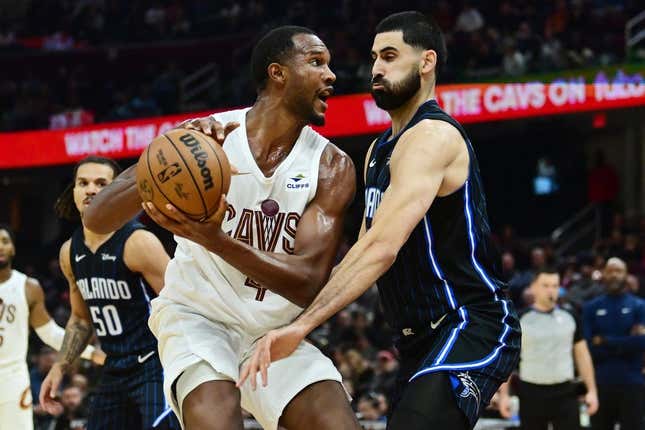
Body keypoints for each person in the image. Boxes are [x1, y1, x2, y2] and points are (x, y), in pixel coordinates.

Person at [239, 11, 521, 430]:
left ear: (426, 62)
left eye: (389, 56)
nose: (376, 68)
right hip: (413, 339)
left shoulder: (432, 137)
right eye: (373, 58)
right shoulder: (377, 151)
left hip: (468, 320)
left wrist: (300, 327)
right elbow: (361, 252)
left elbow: (380, 248)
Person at [83, 26, 360, 430]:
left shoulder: (332, 167)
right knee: (215, 414)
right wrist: (164, 161)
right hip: (198, 314)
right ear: (277, 73)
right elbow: (97, 218)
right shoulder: (208, 137)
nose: (331, 74)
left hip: (273, 331)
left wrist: (214, 239)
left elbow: (306, 283)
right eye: (317, 62)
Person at [39, 156, 179, 429]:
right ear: (74, 191)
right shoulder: (70, 251)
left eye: (101, 183)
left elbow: (186, 303)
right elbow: (80, 319)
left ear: (115, 192)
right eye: (83, 183)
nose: (91, 189)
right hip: (114, 368)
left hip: (153, 363)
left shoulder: (138, 242)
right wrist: (60, 366)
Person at [0, 224, 102, 430]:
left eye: (4, 241)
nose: (0, 247)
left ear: (13, 248)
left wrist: (91, 353)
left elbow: (50, 334)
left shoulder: (28, 287)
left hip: (12, 380)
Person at [497, 267, 598, 429]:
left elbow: (582, 356)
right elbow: (507, 358)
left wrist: (591, 391)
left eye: (555, 285)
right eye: (545, 285)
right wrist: (504, 395)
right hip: (531, 392)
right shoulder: (520, 318)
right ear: (533, 287)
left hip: (565, 391)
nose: (551, 290)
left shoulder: (570, 317)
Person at [583, 257, 645, 430]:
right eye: (610, 270)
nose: (614, 275)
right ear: (604, 274)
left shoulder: (640, 306)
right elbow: (588, 348)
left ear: (626, 275)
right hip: (600, 384)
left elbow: (641, 343)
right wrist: (627, 343)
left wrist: (605, 340)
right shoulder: (591, 308)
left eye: (619, 271)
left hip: (633, 384)